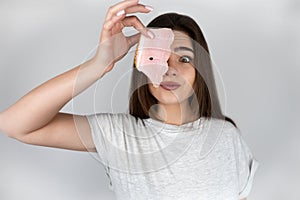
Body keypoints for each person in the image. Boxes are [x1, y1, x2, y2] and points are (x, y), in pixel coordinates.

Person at [0, 0, 259, 199]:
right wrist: (98, 64)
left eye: (184, 58)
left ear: (199, 70)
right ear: (142, 68)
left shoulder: (227, 137)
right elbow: (15, 125)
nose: (171, 69)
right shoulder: (119, 136)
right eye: (157, 57)